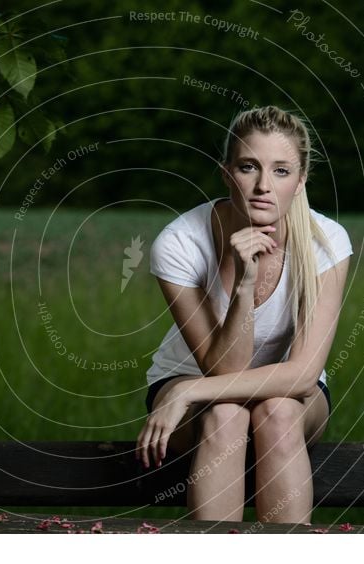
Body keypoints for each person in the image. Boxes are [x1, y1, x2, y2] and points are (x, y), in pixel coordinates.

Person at [135, 105, 352, 524]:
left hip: (254, 395)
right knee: (227, 413)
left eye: (282, 171)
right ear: (226, 173)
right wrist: (245, 283)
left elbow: (304, 376)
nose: (263, 186)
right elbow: (222, 370)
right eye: (249, 167)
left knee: (279, 411)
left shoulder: (326, 242)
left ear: (302, 179)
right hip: (194, 390)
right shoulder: (181, 243)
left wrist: (188, 393)